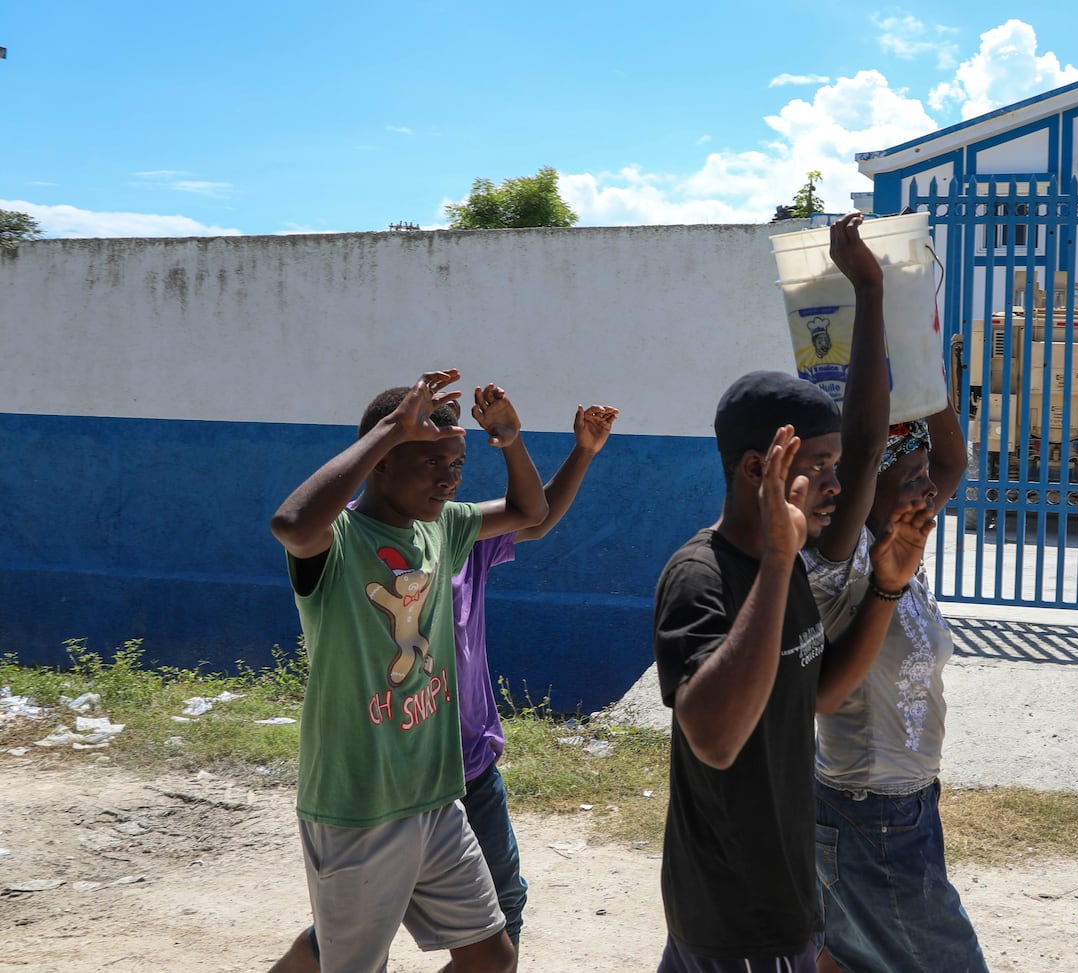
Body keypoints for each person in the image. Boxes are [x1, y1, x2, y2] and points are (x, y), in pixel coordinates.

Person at [652, 214, 935, 972]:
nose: (841, 483)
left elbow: (813, 692)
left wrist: (884, 588)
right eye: (819, 464)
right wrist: (779, 562)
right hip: (737, 910)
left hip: (779, 893)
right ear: (757, 469)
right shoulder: (702, 577)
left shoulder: (798, 562)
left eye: (838, 463)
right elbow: (712, 735)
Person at [272, 403, 618, 973]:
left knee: (494, 949)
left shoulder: (446, 527)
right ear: (382, 461)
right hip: (362, 801)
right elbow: (292, 525)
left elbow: (534, 512)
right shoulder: (340, 540)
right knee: (352, 956)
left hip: (440, 788)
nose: (449, 476)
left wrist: (509, 440)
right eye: (432, 460)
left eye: (456, 463)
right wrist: (390, 429)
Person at [804, 403, 987, 973]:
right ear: (866, 492)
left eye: (927, 477)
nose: (930, 490)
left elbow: (954, 459)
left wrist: (921, 374)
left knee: (848, 962)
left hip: (907, 806)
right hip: (870, 813)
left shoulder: (903, 547)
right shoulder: (842, 566)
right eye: (911, 478)